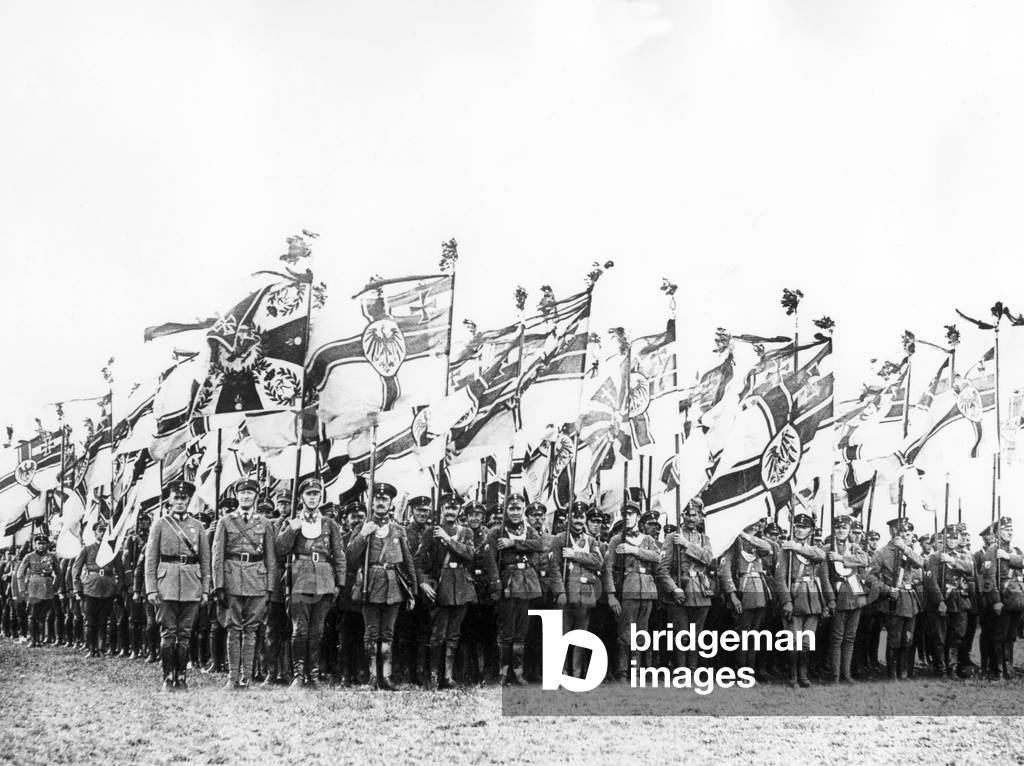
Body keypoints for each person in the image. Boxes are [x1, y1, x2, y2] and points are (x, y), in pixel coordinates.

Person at [277, 477, 346, 689]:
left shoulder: (329, 524)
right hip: (300, 579)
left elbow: (339, 554)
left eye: (316, 494)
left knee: (317, 631)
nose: (313, 497)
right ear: (301, 498)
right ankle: (299, 675)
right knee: (300, 630)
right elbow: (281, 549)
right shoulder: (292, 521)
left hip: (324, 580)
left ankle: (313, 674)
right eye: (308, 494)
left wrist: (339, 583)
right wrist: (291, 530)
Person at [347, 482, 416, 690]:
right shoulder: (363, 527)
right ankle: (372, 676)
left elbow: (408, 561)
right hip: (370, 583)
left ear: (390, 503)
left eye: (384, 499)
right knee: (371, 633)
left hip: (393, 585)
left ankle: (386, 676)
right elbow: (350, 558)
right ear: (371, 501)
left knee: (388, 633)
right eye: (376, 498)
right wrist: (363, 535)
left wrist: (412, 590)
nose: (380, 502)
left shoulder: (397, 530)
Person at [144, 480, 211, 691]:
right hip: (166, 585)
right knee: (168, 633)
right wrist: (151, 589)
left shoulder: (198, 526)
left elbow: (205, 560)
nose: (180, 502)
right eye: (176, 498)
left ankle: (181, 677)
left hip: (192, 585)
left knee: (185, 635)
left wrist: (206, 589)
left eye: (183, 498)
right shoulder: (160, 524)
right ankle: (167, 678)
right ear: (169, 500)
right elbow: (150, 559)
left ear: (188, 500)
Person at [212, 477, 276, 690]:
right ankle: (232, 678)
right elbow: (217, 555)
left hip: (257, 579)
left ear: (256, 496)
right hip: (231, 578)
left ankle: (246, 678)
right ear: (237, 495)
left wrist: (269, 587)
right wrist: (218, 585)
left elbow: (271, 558)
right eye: (242, 493)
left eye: (250, 493)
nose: (246, 496)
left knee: (251, 629)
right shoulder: (225, 521)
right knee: (233, 628)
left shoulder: (265, 523)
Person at [414, 493, 484, 688]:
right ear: (442, 510)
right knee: (438, 634)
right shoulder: (431, 532)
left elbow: (470, 555)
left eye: (454, 508)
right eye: (447, 508)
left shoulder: (466, 532)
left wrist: (447, 539)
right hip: (441, 588)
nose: (451, 511)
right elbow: (417, 562)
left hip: (462, 588)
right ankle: (435, 675)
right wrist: (423, 583)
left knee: (454, 634)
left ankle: (448, 676)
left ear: (459, 511)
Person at [483, 493, 548, 686]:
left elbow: (540, 545)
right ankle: (503, 672)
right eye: (511, 508)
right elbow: (491, 560)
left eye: (518, 508)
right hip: (508, 582)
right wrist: (496, 583)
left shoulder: (529, 530)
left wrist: (514, 543)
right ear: (505, 510)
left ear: (523, 510)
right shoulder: (496, 531)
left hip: (526, 583)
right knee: (506, 631)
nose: (515, 512)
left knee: (522, 631)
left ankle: (518, 672)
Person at [774, 511, 833, 688]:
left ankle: (803, 675)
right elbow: (779, 579)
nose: (799, 530)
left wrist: (829, 600)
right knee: (793, 640)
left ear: (811, 530)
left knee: (807, 641)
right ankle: (792, 677)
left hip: (813, 601)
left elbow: (822, 567)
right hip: (795, 598)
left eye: (804, 527)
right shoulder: (785, 551)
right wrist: (786, 601)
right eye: (797, 526)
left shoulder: (815, 550)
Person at [605, 501, 661, 681]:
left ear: (638, 516)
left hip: (648, 590)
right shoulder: (616, 539)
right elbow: (608, 568)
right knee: (626, 631)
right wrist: (611, 595)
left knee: (642, 632)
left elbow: (657, 557)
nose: (627, 517)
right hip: (628, 589)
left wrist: (635, 550)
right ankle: (622, 672)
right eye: (624, 514)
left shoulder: (648, 539)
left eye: (630, 514)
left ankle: (636, 671)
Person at [656, 499, 713, 672]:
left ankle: (693, 670)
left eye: (694, 514)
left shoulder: (704, 538)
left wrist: (687, 545)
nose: (691, 517)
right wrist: (674, 589)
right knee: (681, 636)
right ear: (682, 515)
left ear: (700, 517)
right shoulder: (671, 538)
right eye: (687, 514)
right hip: (681, 590)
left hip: (701, 591)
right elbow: (662, 570)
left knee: (696, 636)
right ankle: (681, 670)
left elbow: (708, 558)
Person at [547, 501, 603, 678]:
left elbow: (598, 561)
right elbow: (553, 568)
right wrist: (559, 592)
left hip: (585, 592)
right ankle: (561, 672)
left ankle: (577, 673)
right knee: (562, 634)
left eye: (581, 516)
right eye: (575, 516)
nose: (578, 520)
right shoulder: (560, 539)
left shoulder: (591, 540)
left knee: (581, 634)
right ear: (569, 517)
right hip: (566, 591)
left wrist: (574, 555)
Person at [869, 517, 923, 681]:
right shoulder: (882, 553)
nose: (908, 535)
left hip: (909, 599)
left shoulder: (909, 551)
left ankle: (904, 672)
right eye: (904, 532)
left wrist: (905, 548)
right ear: (893, 532)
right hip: (893, 600)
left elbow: (920, 563)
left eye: (909, 532)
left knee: (908, 637)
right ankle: (892, 673)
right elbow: (870, 576)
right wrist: (886, 589)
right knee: (894, 638)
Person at [719, 518, 775, 675]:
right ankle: (741, 671)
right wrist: (732, 595)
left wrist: (747, 536)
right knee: (743, 635)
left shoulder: (757, 542)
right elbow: (725, 571)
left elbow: (767, 547)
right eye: (752, 522)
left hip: (759, 592)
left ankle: (749, 671)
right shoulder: (733, 543)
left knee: (754, 635)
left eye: (758, 523)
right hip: (742, 592)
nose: (756, 525)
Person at [923, 524, 973, 677]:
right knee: (939, 636)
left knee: (957, 635)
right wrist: (940, 601)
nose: (952, 540)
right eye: (949, 537)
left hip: (960, 601)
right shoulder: (935, 557)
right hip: (942, 602)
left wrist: (951, 560)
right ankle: (941, 669)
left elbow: (969, 568)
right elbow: (931, 582)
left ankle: (952, 668)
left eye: (955, 537)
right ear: (943, 539)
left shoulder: (964, 554)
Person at [977, 516, 1024, 679]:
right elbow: (988, 577)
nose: (1009, 533)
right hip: (1003, 600)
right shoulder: (992, 550)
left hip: (1017, 600)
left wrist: (1007, 557)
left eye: (1011, 530)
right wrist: (995, 600)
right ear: (998, 532)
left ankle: (1008, 668)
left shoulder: (1015, 551)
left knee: (1010, 637)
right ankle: (998, 671)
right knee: (999, 636)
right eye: (1006, 530)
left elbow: (1022, 562)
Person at [825, 514, 869, 683]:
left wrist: (841, 558)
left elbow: (864, 560)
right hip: (838, 592)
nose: (841, 531)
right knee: (837, 637)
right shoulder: (828, 547)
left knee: (850, 637)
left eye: (844, 528)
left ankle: (846, 674)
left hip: (855, 592)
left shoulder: (854, 547)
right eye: (838, 527)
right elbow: (824, 574)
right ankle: (835, 675)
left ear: (849, 530)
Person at [72, 518, 120, 658]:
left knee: (104, 620)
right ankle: (91, 648)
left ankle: (101, 648)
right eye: (100, 530)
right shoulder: (87, 549)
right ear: (94, 533)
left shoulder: (112, 550)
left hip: (108, 588)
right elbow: (76, 568)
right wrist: (77, 588)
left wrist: (117, 588)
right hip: (90, 588)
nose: (102, 533)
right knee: (90, 621)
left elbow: (120, 571)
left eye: (105, 531)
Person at [17, 533, 60, 649]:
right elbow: (20, 574)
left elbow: (58, 573)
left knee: (42, 615)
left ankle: (40, 640)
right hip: (34, 588)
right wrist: (22, 590)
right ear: (34, 545)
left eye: (44, 543)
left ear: (47, 545)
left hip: (47, 588)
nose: (41, 546)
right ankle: (33, 640)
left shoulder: (52, 557)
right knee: (32, 615)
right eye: (39, 544)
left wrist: (55, 587)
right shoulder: (29, 557)